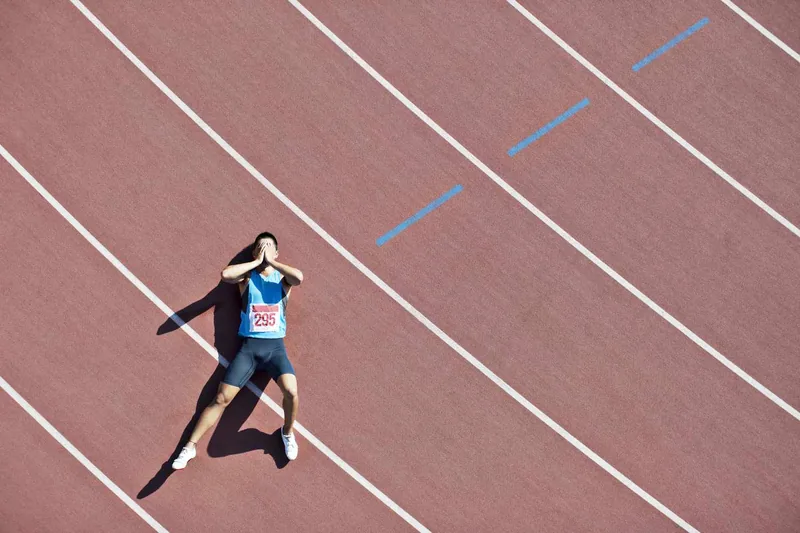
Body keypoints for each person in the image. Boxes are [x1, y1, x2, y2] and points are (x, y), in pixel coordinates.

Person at [172, 231, 304, 469]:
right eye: (260, 248)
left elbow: (299, 277)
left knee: (292, 393)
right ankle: (188, 448)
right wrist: (256, 262)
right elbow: (226, 274)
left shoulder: (283, 281)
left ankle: (286, 433)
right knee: (221, 398)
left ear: (276, 252)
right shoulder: (247, 279)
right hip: (249, 351)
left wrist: (271, 263)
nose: (264, 251)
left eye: (269, 247)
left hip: (275, 350)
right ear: (255, 253)